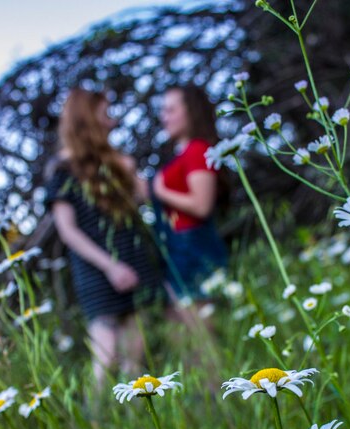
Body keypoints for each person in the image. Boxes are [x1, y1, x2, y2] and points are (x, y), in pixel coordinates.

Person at [45, 88, 163, 384]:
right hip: (97, 268)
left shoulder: (115, 163)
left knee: (134, 357)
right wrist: (110, 266)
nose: (112, 122)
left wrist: (131, 173)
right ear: (88, 118)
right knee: (106, 356)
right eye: (105, 114)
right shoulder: (61, 169)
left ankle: (136, 423)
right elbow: (68, 231)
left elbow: (148, 199)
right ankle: (95, 427)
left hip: (133, 257)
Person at [152, 84, 228, 324]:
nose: (165, 117)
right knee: (182, 329)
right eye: (163, 111)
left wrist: (160, 190)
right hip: (178, 246)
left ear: (191, 111)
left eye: (171, 110)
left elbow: (201, 205)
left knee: (199, 329)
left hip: (193, 246)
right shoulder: (183, 154)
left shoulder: (197, 150)